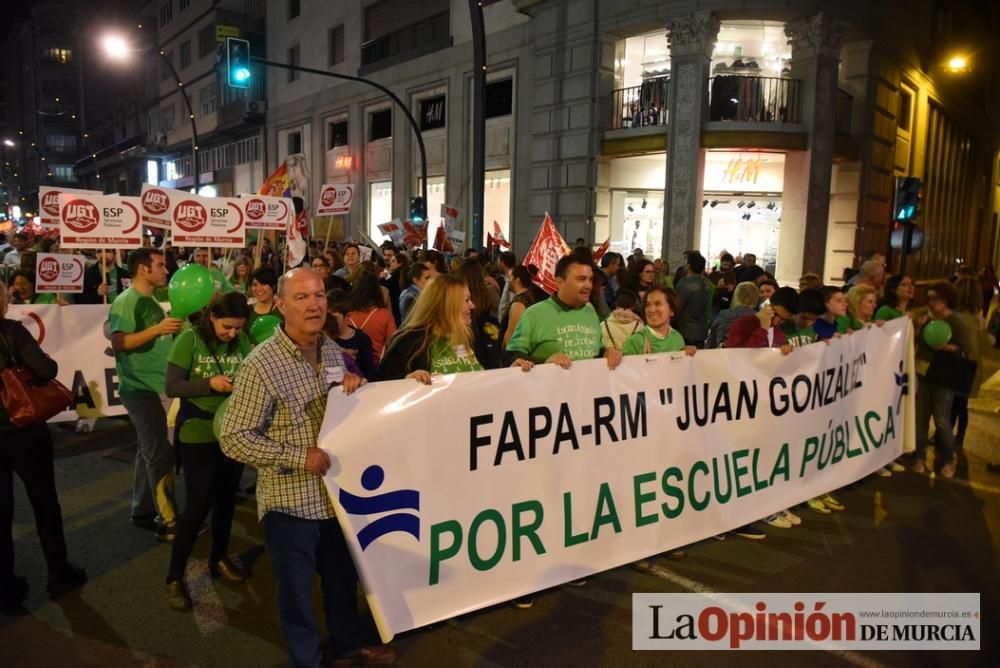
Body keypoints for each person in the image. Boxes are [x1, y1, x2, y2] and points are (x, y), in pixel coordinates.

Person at [219, 268, 393, 667]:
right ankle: (307, 661)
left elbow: (344, 409)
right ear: (280, 305)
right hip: (289, 503)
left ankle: (348, 647)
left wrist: (353, 386)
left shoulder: (332, 351)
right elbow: (233, 437)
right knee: (296, 597)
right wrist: (301, 456)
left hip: (335, 497)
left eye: (319, 296)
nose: (314, 305)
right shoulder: (261, 365)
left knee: (341, 581)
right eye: (301, 297)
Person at [0, 282, 87, 610]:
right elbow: (46, 369)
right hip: (23, 430)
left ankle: (6, 586)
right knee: (44, 503)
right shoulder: (12, 332)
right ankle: (58, 573)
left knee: (1, 511)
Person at [163, 293, 252, 611]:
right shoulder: (188, 340)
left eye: (238, 328)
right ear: (212, 317)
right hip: (197, 432)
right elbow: (172, 387)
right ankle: (174, 578)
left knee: (227, 500)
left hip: (231, 432)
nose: (232, 334)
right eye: (227, 327)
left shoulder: (241, 341)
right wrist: (208, 384)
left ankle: (219, 558)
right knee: (198, 505)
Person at [109, 248, 182, 541]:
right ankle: (168, 521)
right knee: (159, 454)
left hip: (159, 385)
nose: (166, 271)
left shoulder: (152, 299)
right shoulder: (127, 301)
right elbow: (118, 342)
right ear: (142, 269)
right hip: (141, 389)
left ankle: (141, 508)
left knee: (149, 450)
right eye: (160, 265)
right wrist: (158, 330)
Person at [725, 287, 798, 536]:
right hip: (741, 405)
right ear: (768, 305)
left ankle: (768, 503)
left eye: (783, 320)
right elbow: (736, 357)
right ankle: (743, 513)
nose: (777, 321)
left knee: (767, 455)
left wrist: (785, 352)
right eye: (776, 314)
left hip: (766, 407)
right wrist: (762, 329)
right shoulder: (745, 324)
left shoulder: (777, 332)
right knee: (745, 459)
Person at [378, 274, 534, 381]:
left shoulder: (470, 335)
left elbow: (487, 378)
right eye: (466, 300)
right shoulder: (409, 341)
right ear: (447, 305)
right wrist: (405, 381)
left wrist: (510, 371)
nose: (472, 305)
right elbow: (379, 386)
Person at [506, 254, 622, 370]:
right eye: (581, 279)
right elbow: (512, 356)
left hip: (587, 386)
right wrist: (544, 362)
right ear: (560, 282)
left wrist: (607, 353)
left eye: (590, 279)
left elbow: (596, 350)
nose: (588, 285)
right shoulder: (533, 314)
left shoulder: (591, 313)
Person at [913, 282, 973, 478]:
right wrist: (920, 328)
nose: (931, 303)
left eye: (935, 299)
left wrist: (948, 347)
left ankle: (949, 458)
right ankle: (919, 457)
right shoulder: (926, 318)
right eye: (928, 298)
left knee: (941, 420)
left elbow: (965, 348)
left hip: (943, 376)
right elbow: (918, 343)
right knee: (920, 419)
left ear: (946, 300)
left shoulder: (954, 321)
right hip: (923, 373)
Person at [951, 277, 985, 453]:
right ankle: (959, 437)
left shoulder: (958, 316)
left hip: (960, 363)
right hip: (972, 365)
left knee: (952, 402)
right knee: (961, 403)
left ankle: (949, 436)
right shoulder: (977, 316)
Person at [621, 286, 696, 357]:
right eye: (647, 305)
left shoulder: (677, 338)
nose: (651, 310)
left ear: (672, 310)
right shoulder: (635, 342)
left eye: (658, 304)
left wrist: (687, 354)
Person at [325, 289, 377, 381]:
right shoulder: (323, 338)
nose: (329, 321)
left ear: (347, 316)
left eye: (334, 317)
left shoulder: (361, 339)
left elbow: (370, 373)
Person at [347, 272, 397, 360]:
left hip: (349, 364)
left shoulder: (346, 314)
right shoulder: (384, 314)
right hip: (375, 366)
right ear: (378, 291)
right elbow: (393, 344)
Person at [674, 252, 713, 348]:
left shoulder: (685, 284)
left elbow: (677, 306)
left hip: (686, 331)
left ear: (688, 266)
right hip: (701, 331)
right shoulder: (707, 285)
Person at [706, 281, 760, 349]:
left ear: (736, 295)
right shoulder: (759, 318)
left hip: (725, 354)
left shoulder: (724, 314)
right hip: (750, 356)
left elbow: (712, 339)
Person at [501, 265, 535, 348]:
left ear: (517, 280)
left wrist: (506, 353)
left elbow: (512, 331)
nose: (508, 281)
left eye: (510, 277)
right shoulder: (529, 296)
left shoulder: (519, 302)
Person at [247, 267, 283, 332]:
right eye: (254, 285)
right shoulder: (247, 311)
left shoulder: (282, 310)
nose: (258, 289)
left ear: (273, 286)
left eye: (263, 284)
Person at [497, 251, 518, 321]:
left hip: (508, 321)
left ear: (502, 263)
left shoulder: (512, 279)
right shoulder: (508, 278)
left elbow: (512, 301)